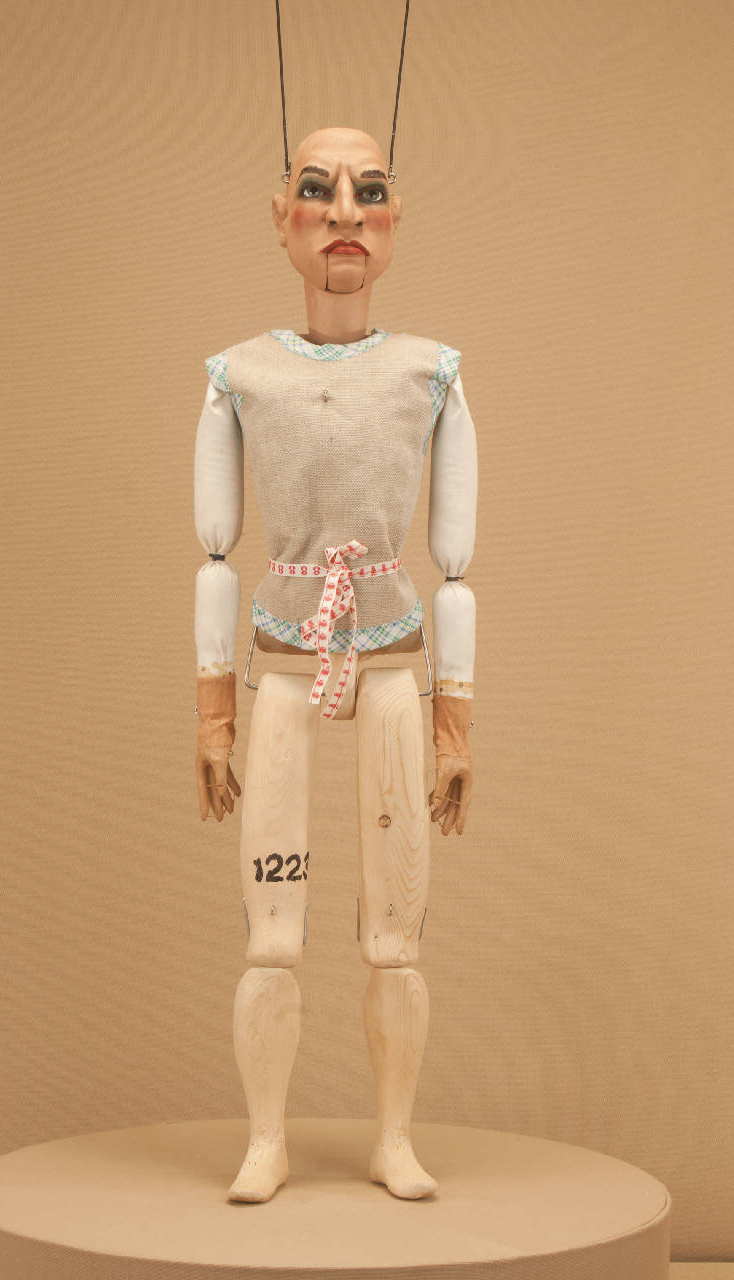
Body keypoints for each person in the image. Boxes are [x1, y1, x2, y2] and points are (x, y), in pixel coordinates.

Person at [193, 127, 477, 1201]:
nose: (346, 212)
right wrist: (213, 713)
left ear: (395, 220)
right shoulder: (241, 376)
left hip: (394, 655)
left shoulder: (429, 373)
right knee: (271, 931)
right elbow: (215, 553)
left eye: (370, 190)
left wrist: (454, 724)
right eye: (318, 189)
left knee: (395, 933)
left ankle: (392, 1135)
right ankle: (265, 1137)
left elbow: (455, 566)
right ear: (283, 219)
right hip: (281, 656)